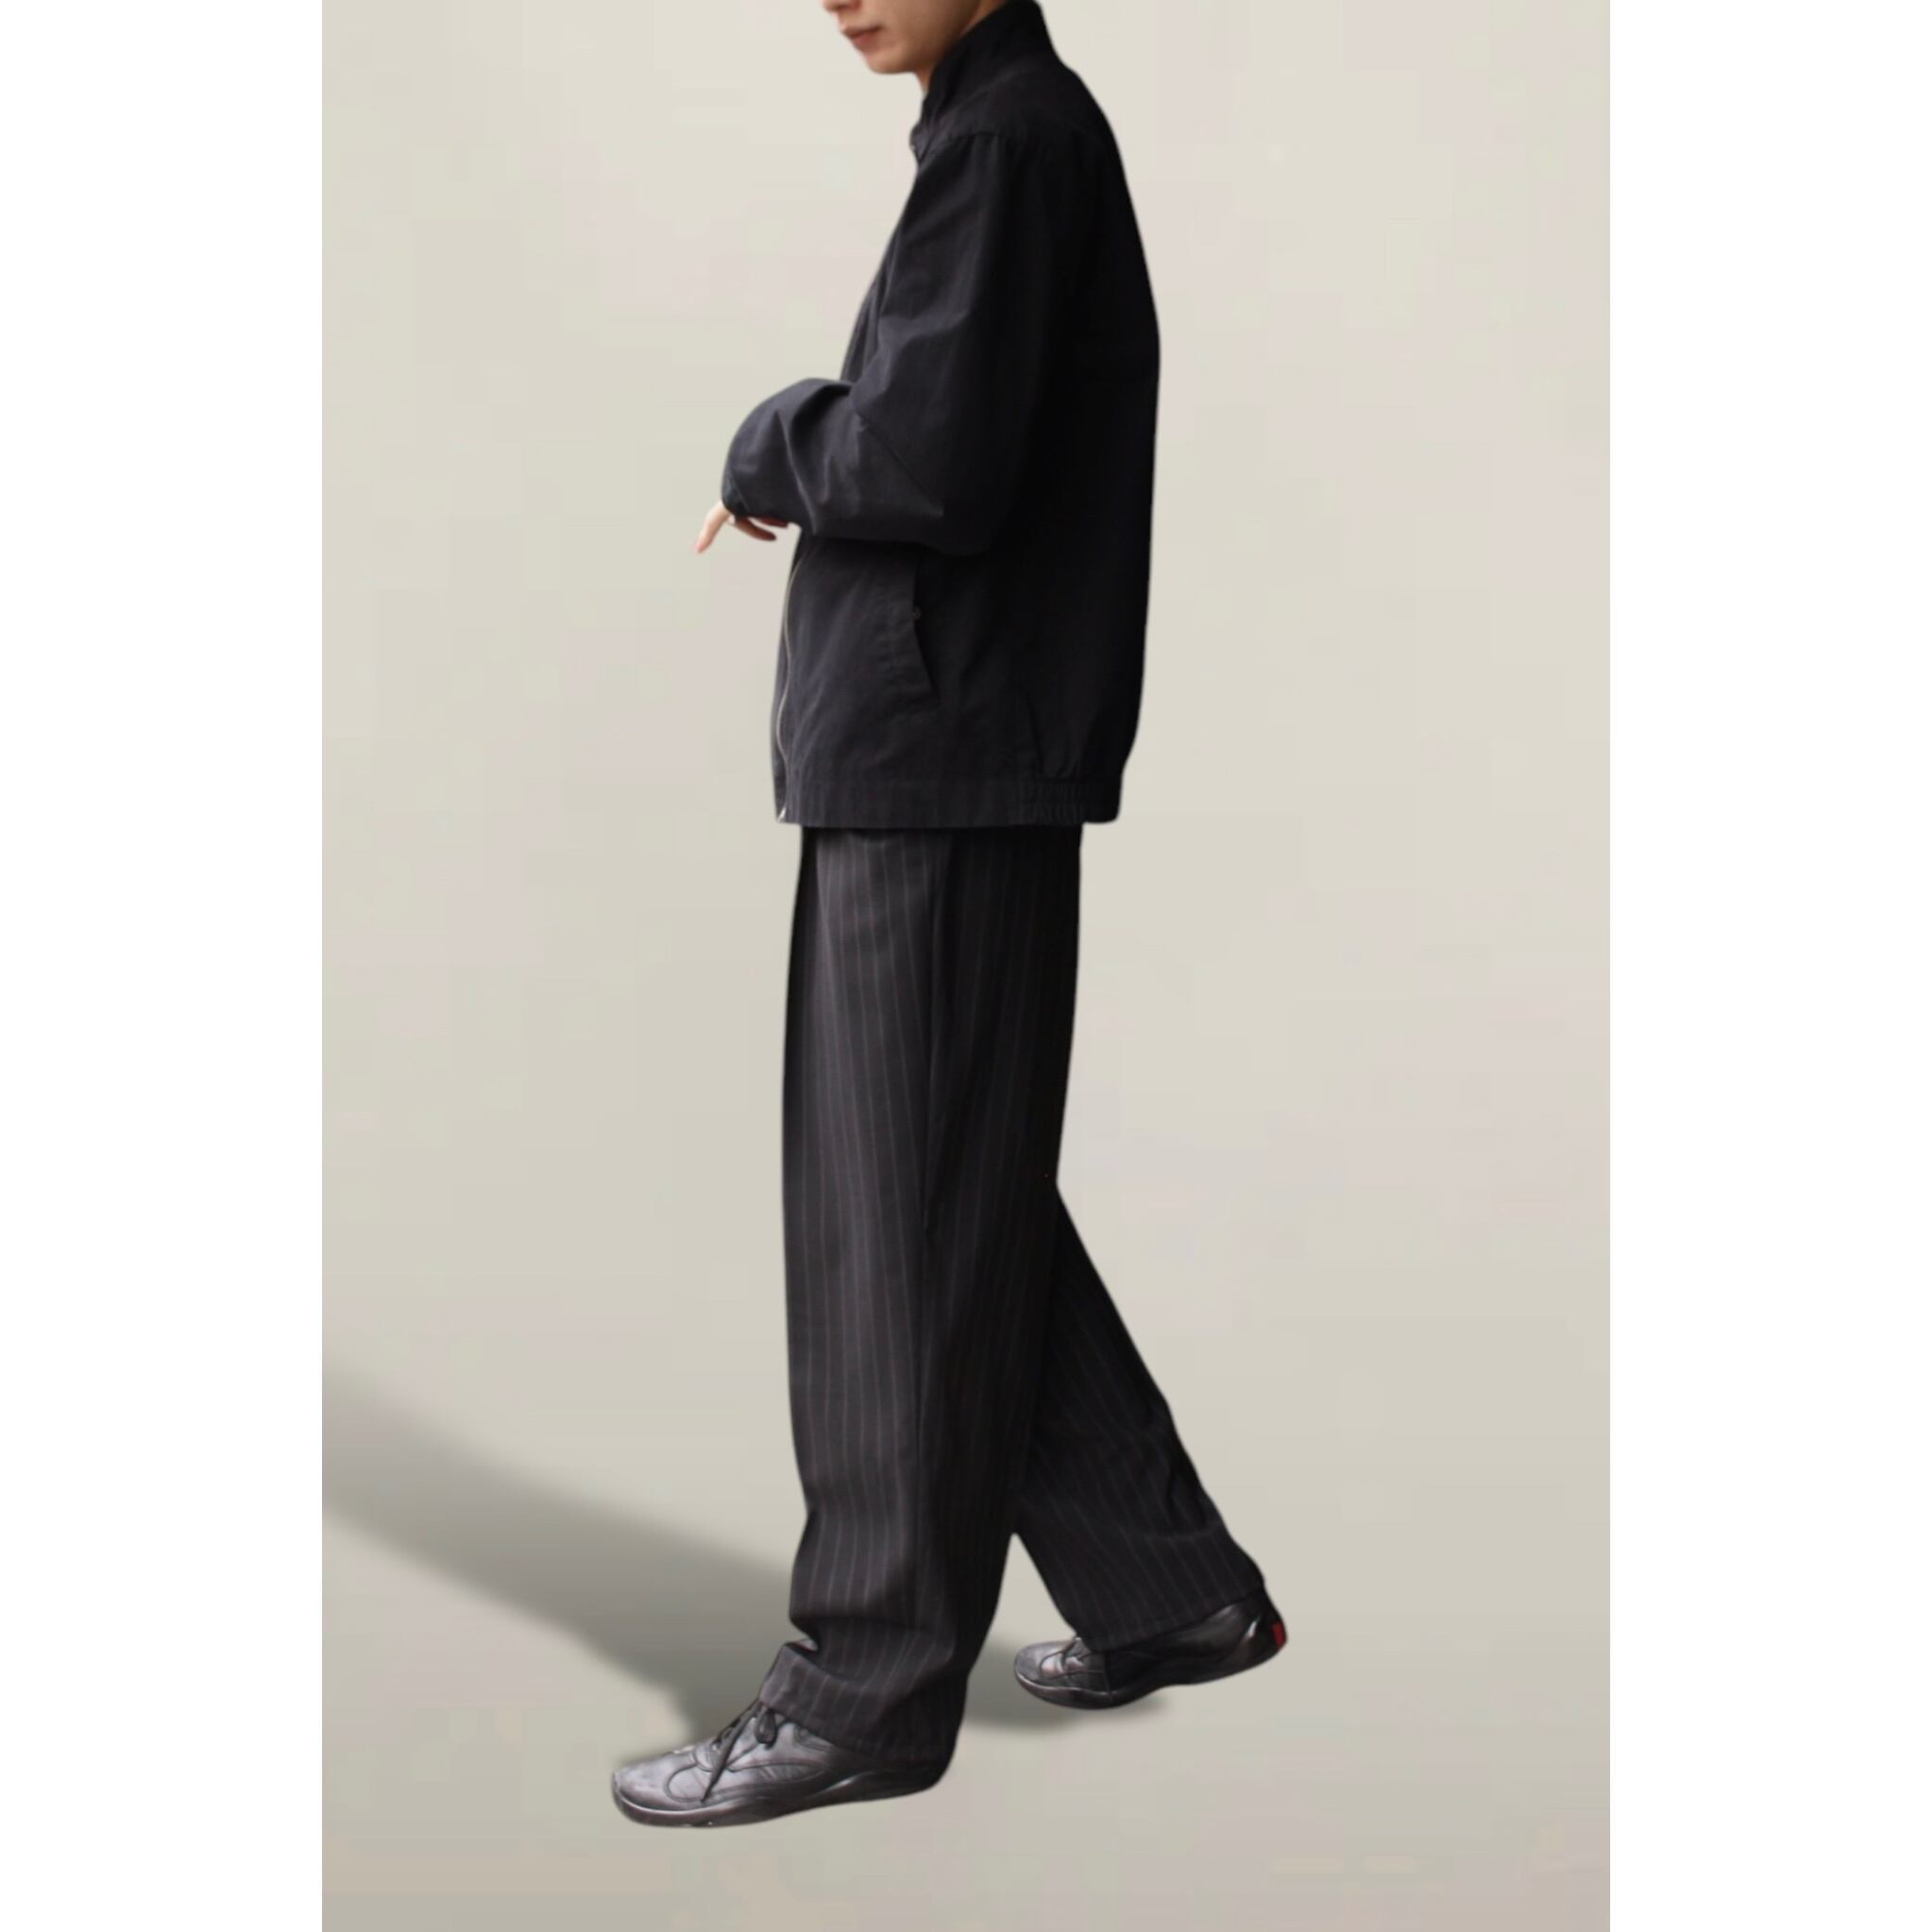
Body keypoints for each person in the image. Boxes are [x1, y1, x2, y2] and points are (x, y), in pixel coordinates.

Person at [613, 0, 1282, 1829]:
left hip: (940, 759)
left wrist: (768, 440)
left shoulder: (1009, 143)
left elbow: (925, 460)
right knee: (945, 1191)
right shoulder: (1006, 136)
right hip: (946, 750)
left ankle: (864, 1689)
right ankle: (1169, 1585)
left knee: (892, 1213)